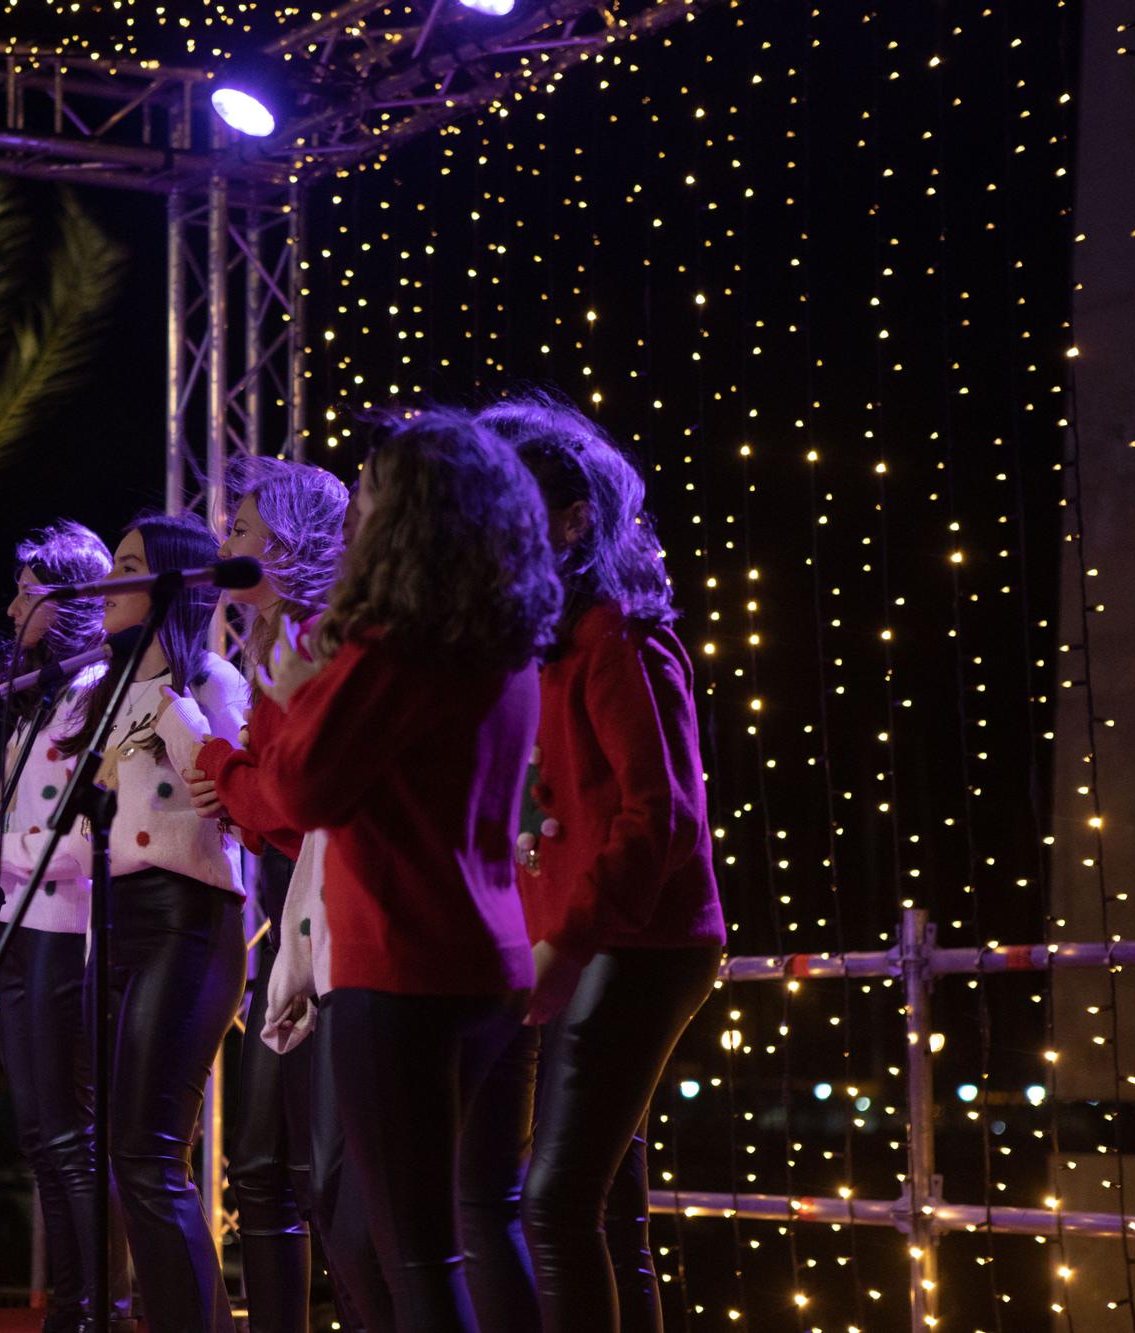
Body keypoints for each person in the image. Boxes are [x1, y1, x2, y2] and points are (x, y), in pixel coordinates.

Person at [191, 410, 562, 1333]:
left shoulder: (395, 639)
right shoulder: (500, 637)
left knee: (411, 1253)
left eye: (370, 488)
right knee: (454, 1232)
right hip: (488, 957)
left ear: (408, 511)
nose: (356, 504)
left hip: (399, 958)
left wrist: (257, 732)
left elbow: (306, 786)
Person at [481, 393, 727, 1333]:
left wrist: (568, 942)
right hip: (591, 939)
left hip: (642, 940)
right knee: (600, 1203)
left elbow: (656, 815)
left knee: (552, 1200)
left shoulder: (618, 632)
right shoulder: (541, 647)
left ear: (573, 520)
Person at [169, 456, 363, 1333]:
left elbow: (290, 803)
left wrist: (220, 764)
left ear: (285, 544)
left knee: (324, 1173)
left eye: (240, 531)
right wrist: (245, 784)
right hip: (289, 906)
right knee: (262, 1164)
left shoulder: (320, 644)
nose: (225, 545)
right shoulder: (276, 643)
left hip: (325, 912)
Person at [53, 511, 250, 1333]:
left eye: (128, 564)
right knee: (121, 1150)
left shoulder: (212, 679)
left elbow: (233, 801)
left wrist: (174, 708)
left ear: (169, 578)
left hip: (187, 913)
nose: (108, 581)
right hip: (117, 917)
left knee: (148, 1150)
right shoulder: (99, 693)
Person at [0, 521, 125, 1333]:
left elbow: (87, 844)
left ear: (74, 596)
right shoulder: (37, 701)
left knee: (73, 1135)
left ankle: (96, 1307)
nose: (12, 606)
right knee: (44, 1134)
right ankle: (73, 1305)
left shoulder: (94, 697)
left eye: (29, 590)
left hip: (66, 930)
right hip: (20, 925)